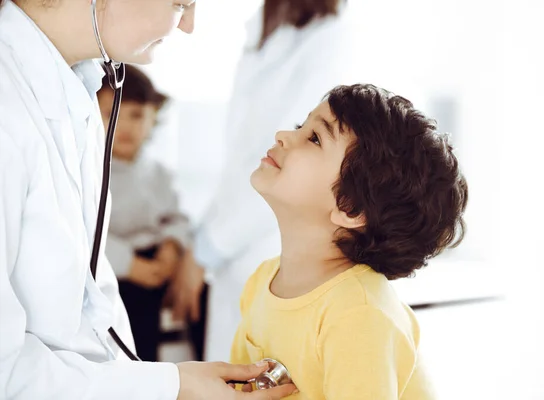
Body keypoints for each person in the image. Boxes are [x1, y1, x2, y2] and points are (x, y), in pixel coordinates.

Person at [0, 0, 296, 399]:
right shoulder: (10, 109)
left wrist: (164, 383)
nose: (188, 25)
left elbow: (92, 313)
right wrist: (173, 386)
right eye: (181, 3)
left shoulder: (79, 94)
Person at [230, 84, 469, 399]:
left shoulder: (360, 316)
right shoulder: (263, 281)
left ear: (350, 207)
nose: (283, 135)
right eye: (302, 127)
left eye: (314, 138)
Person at [194, 0, 357, 362]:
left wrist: (204, 252)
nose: (286, 134)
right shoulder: (265, 34)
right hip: (237, 258)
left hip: (261, 243)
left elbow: (291, 166)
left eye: (308, 133)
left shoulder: (330, 41)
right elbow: (242, 161)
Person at [97, 65, 207, 362]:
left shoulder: (157, 172)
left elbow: (177, 217)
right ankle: (142, 368)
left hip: (157, 257)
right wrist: (132, 267)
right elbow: (88, 235)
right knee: (131, 311)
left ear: (153, 117)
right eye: (112, 115)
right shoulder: (93, 170)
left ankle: (207, 359)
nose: (125, 127)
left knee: (203, 290)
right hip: (118, 266)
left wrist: (172, 247)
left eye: (136, 115)